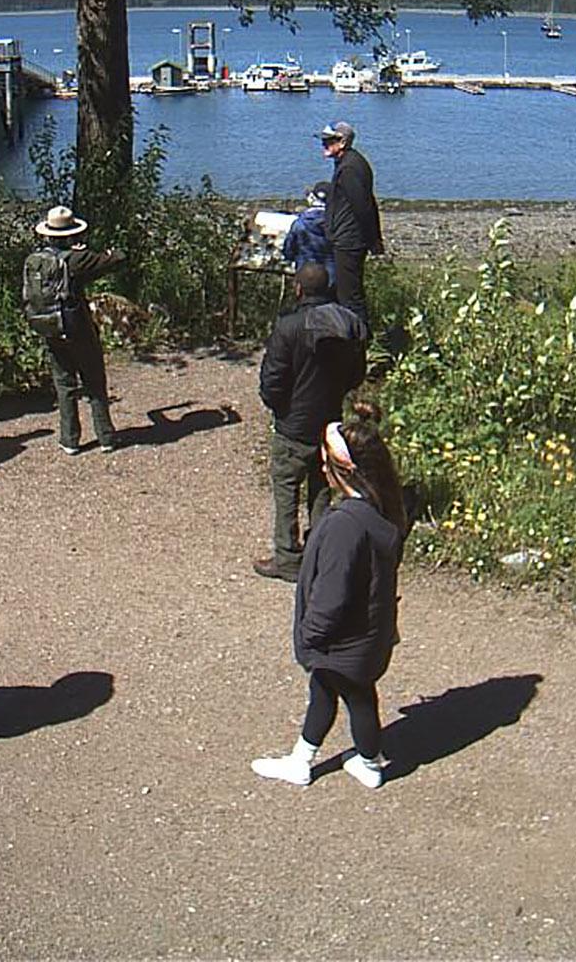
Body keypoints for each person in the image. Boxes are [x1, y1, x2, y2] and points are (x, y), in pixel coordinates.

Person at [251, 409, 404, 790]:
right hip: (369, 640)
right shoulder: (382, 514)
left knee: (324, 694)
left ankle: (302, 763)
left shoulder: (343, 526)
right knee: (359, 696)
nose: (320, 465)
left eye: (325, 460)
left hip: (339, 642)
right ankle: (368, 763)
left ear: (341, 470)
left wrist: (310, 635)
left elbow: (331, 596)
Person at [255, 261, 366, 582]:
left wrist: (280, 409)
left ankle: (288, 558)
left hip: (294, 423)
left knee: (287, 489)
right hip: (330, 420)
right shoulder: (347, 325)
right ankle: (320, 553)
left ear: (298, 288)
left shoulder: (288, 327)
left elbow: (272, 380)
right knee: (322, 490)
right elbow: (356, 375)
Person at [27, 204, 125, 454]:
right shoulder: (78, 258)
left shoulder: (37, 260)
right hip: (76, 326)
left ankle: (70, 439)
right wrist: (91, 250)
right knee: (94, 380)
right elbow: (117, 258)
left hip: (49, 324)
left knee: (64, 383)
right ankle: (105, 436)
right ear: (72, 233)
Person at [318, 121, 384, 330]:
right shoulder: (348, 163)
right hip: (346, 237)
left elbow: (363, 206)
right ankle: (351, 338)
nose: (324, 144)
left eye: (329, 140)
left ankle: (359, 344)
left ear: (343, 142)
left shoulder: (350, 168)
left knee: (350, 297)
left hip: (349, 240)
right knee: (344, 292)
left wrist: (373, 241)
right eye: (323, 140)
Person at [281, 180, 335, 287]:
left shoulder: (299, 224)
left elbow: (288, 250)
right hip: (331, 276)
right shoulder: (336, 224)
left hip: (305, 273)